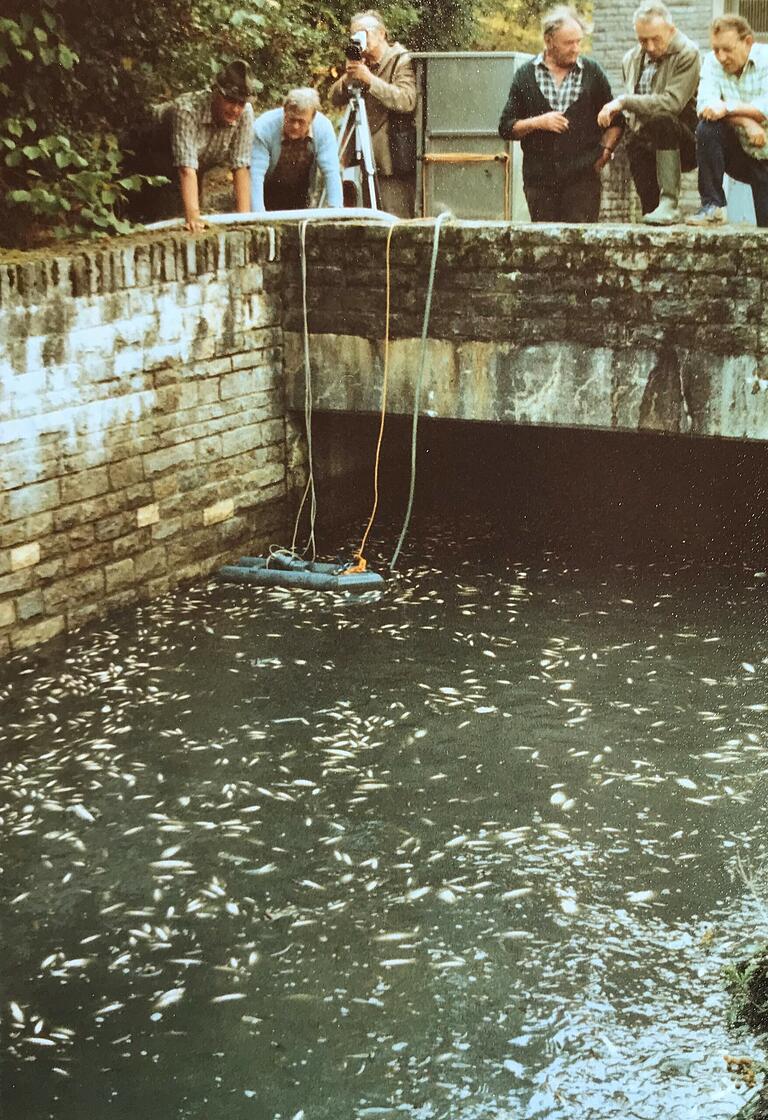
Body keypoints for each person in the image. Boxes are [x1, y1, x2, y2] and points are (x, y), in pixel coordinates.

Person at [498, 7, 623, 222]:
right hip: (540, 183)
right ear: (549, 40)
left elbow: (617, 121)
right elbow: (506, 127)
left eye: (578, 42)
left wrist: (605, 152)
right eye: (569, 43)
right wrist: (539, 122)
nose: (576, 49)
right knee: (545, 248)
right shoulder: (525, 75)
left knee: (580, 248)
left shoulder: (592, 73)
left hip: (583, 181)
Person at [597, 2, 700, 225]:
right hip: (645, 142)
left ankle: (670, 203)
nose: (650, 46)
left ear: (671, 31)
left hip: (683, 141)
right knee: (650, 215)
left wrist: (623, 101)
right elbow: (636, 109)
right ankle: (656, 215)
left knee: (661, 119)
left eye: (656, 38)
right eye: (643, 40)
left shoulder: (688, 53)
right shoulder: (631, 59)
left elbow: (671, 103)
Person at [125, 60, 256, 232]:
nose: (236, 109)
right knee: (161, 218)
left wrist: (243, 221)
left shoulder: (245, 113)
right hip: (149, 151)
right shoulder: (186, 109)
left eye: (241, 103)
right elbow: (186, 169)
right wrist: (193, 217)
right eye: (230, 100)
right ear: (215, 92)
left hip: (193, 164)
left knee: (193, 217)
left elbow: (241, 166)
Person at [329, 9, 417, 217]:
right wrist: (349, 78)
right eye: (355, 34)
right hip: (360, 159)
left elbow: (407, 100)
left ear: (382, 34)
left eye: (364, 32)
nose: (360, 39)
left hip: (390, 162)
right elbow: (333, 98)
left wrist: (370, 80)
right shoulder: (361, 63)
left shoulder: (401, 60)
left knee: (394, 222)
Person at [686, 15, 768, 227]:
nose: (721, 57)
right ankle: (712, 206)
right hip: (744, 154)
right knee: (708, 127)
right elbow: (705, 106)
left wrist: (728, 106)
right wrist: (747, 122)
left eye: (727, 49)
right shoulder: (712, 62)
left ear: (747, 42)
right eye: (716, 49)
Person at [250, 89, 342, 211]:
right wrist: (258, 218)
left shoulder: (324, 129)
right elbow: (255, 175)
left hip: (301, 192)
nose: (295, 126)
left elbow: (331, 172)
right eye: (292, 120)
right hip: (267, 189)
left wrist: (335, 211)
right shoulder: (264, 127)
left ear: (313, 117)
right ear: (284, 111)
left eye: (301, 122)